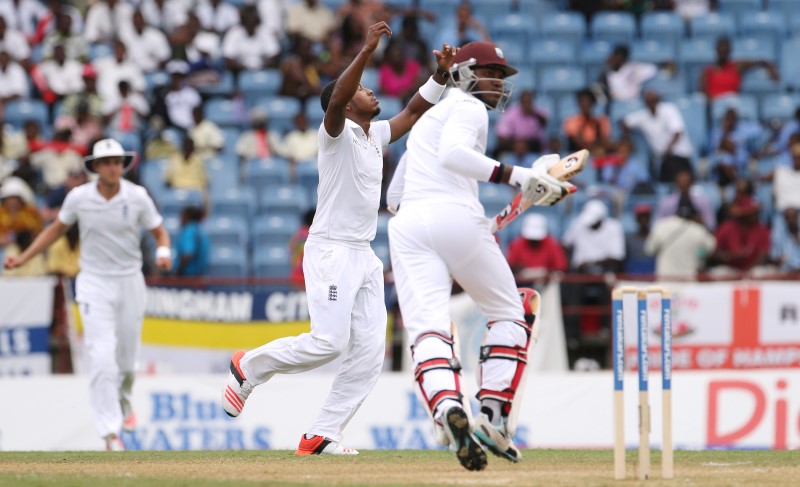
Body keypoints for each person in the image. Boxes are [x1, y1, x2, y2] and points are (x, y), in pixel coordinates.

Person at [221, 22, 455, 456]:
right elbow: (338, 99)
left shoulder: (374, 134)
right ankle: (248, 365)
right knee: (328, 342)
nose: (371, 93)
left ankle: (322, 434)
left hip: (364, 255)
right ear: (346, 105)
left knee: (369, 354)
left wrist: (439, 76)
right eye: (362, 90)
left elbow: (413, 112)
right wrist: (366, 50)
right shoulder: (334, 134)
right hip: (330, 249)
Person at [386, 41, 574, 470]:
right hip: (451, 216)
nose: (498, 82)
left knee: (427, 329)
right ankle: (491, 414)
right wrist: (519, 176)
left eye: (502, 76)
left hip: (409, 225)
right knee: (511, 313)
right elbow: (454, 157)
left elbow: (396, 196)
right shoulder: (467, 106)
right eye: (491, 73)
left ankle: (446, 408)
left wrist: (468, 224)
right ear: (466, 73)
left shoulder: (425, 117)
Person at [3, 138, 172, 451]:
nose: (113, 167)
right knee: (101, 355)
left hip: (129, 282)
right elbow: (55, 229)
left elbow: (159, 230)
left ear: (123, 165)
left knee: (125, 362)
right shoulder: (79, 198)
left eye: (117, 161)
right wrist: (24, 257)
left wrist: (163, 251)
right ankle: (109, 433)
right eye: (106, 162)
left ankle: (124, 401)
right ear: (95, 167)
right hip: (93, 282)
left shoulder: (137, 197)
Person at [621, 89, 694, 183]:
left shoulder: (669, 109)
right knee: (663, 185)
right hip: (663, 160)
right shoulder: (642, 116)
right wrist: (629, 139)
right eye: (648, 101)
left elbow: (677, 133)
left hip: (680, 155)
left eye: (653, 100)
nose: (651, 104)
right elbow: (624, 122)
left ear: (658, 100)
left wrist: (667, 151)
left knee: (682, 181)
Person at [645, 195, 716, 279]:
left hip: (665, 282)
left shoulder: (661, 225)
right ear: (693, 212)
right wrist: (701, 224)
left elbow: (649, 250)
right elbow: (712, 247)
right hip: (688, 283)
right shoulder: (698, 230)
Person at [701, 36, 778, 101]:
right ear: (716, 50)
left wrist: (771, 69)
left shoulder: (736, 66)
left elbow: (762, 62)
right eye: (721, 48)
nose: (723, 51)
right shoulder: (707, 71)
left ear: (730, 50)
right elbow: (703, 94)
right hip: (715, 107)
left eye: (726, 49)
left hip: (734, 105)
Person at [711, 196, 770, 275]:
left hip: (752, 270)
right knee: (717, 272)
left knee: (761, 272)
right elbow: (713, 252)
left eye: (756, 212)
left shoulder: (762, 230)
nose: (756, 215)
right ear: (743, 215)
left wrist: (746, 273)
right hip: (731, 269)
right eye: (752, 213)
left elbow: (763, 256)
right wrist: (730, 257)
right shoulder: (727, 227)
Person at [506, 213, 568, 283]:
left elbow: (560, 267)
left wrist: (547, 273)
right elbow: (510, 265)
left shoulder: (552, 244)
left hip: (546, 284)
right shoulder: (517, 244)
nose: (534, 241)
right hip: (522, 285)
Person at [174, 206, 209, 277]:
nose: (180, 219)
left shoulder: (188, 231)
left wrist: (178, 272)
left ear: (187, 217)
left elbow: (187, 254)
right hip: (199, 275)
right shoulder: (200, 229)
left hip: (188, 277)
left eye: (182, 216)